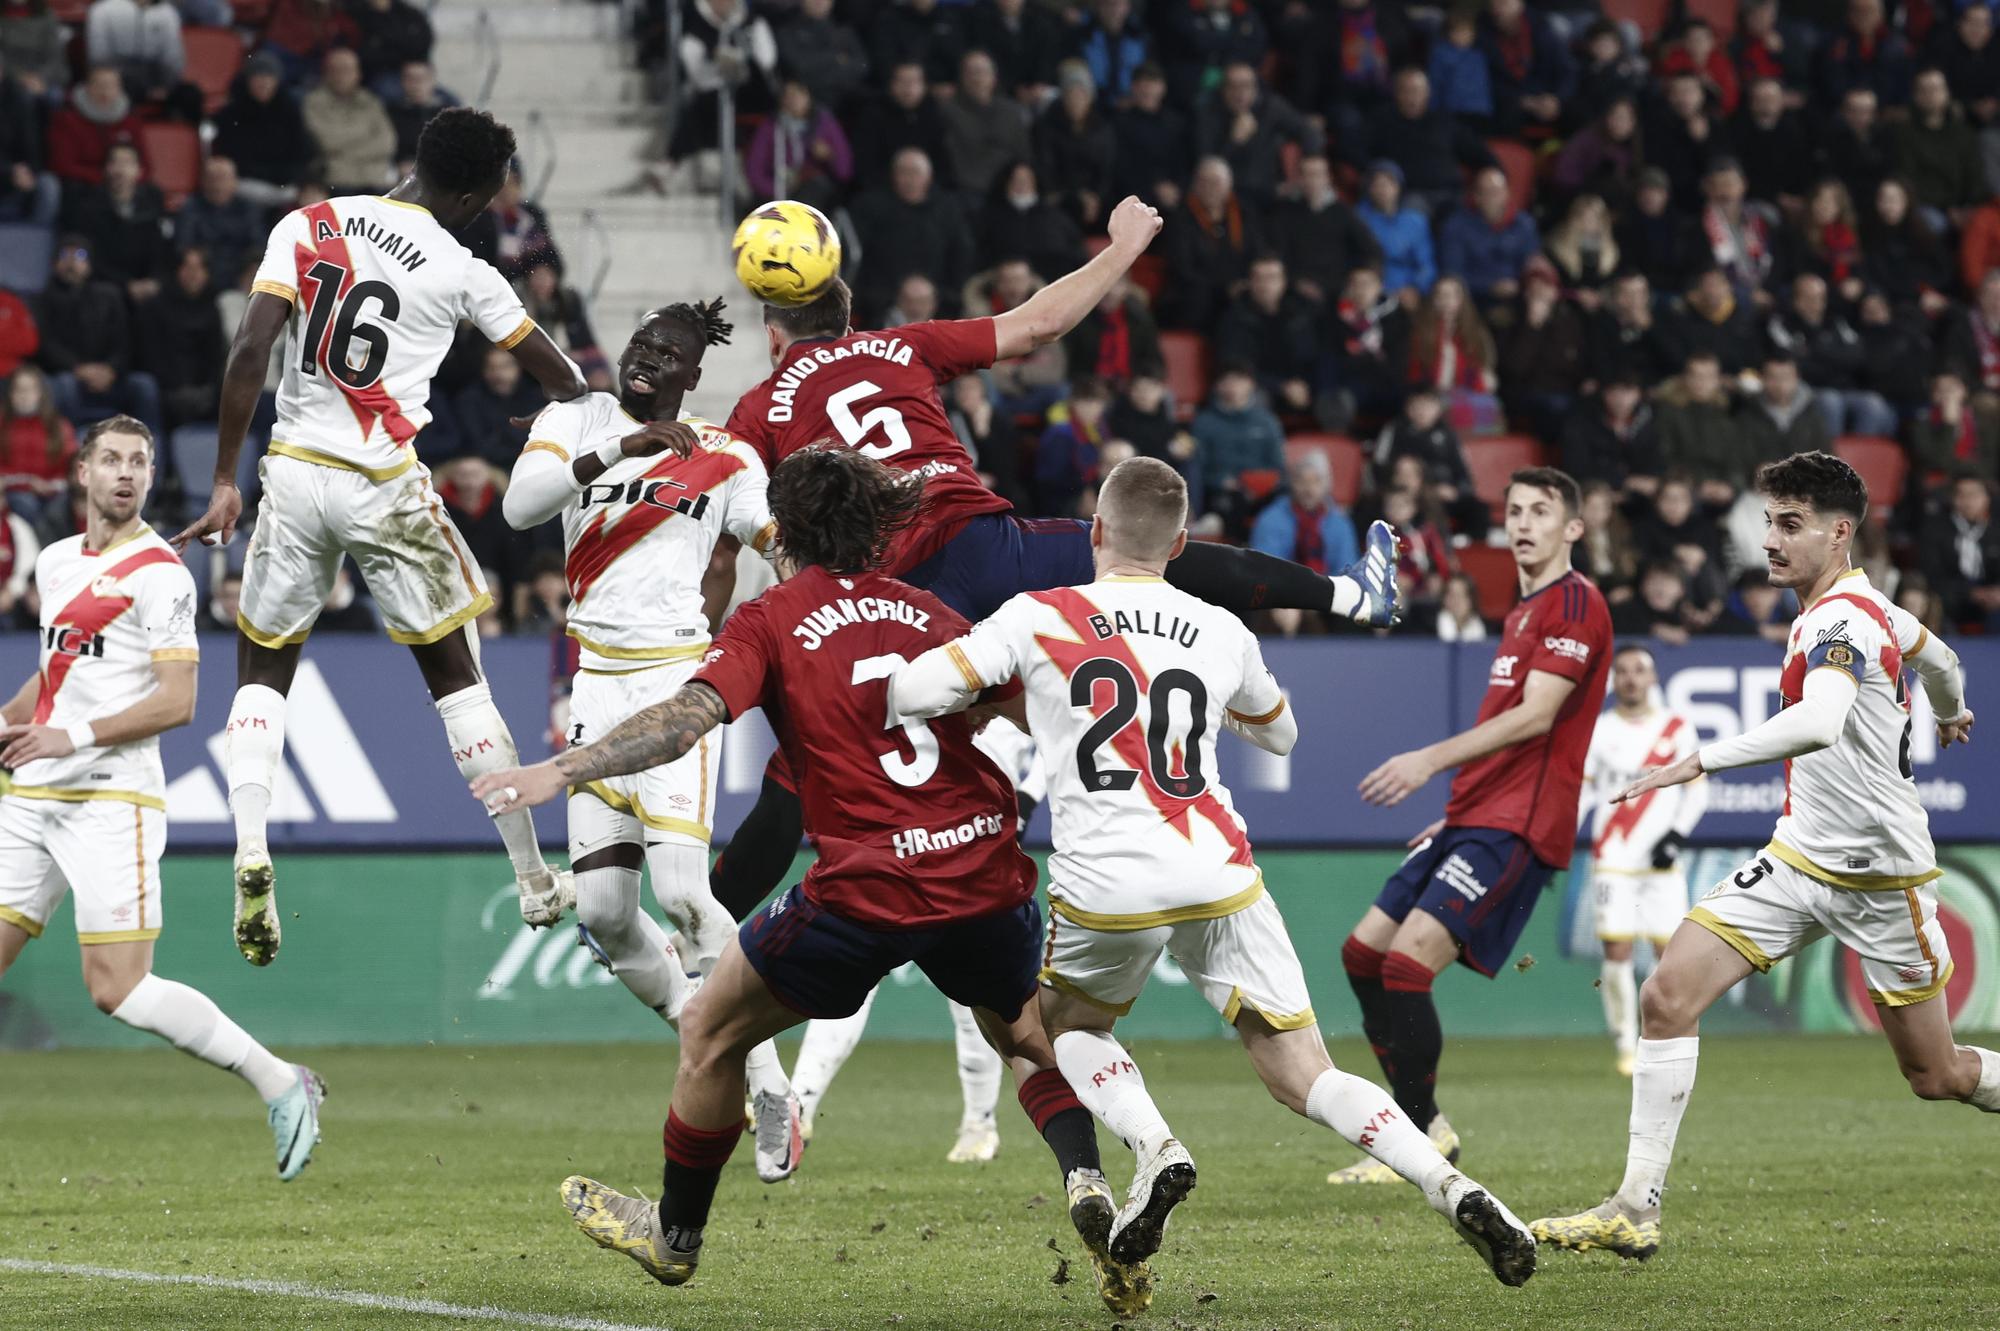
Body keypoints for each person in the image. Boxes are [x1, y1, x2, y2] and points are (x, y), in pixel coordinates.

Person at [474, 448, 1152, 1316]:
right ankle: (1089, 1178)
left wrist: (566, 768)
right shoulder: (930, 610)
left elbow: (686, 721)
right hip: (985, 872)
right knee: (1024, 1036)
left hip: (868, 889)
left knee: (711, 1033)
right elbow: (1038, 711)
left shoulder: (770, 618)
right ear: (876, 526)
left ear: (782, 531)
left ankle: (673, 1239)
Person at [705, 197, 1399, 978]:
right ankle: (1347, 595)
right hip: (989, 547)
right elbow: (1037, 325)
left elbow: (737, 525)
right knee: (1157, 552)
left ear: (772, 337)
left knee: (796, 777)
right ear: (850, 308)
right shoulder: (900, 347)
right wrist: (1124, 246)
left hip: (891, 596)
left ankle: (699, 931)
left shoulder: (757, 411)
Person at [888, 455, 1537, 1287]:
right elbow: (1281, 736)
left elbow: (912, 690)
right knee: (1307, 1072)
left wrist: (1016, 695)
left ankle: (1156, 1146)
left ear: (1094, 531)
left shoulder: (1036, 614)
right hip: (1218, 868)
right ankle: (1453, 1185)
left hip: (1108, 879)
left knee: (1059, 1032)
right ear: (1182, 541)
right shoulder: (1220, 627)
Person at [1533, 450, 1998, 1261]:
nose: (1771, 541)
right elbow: (1944, 660)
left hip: (1882, 880)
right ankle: (1634, 1207)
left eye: (1790, 524)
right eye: (1768, 523)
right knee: (1669, 994)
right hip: (1796, 860)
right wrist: (1952, 712)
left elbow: (1819, 721)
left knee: (1938, 1074)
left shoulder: (1840, 621)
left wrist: (1698, 759)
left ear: (1839, 531)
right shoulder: (1871, 609)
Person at [170, 108, 590, 966]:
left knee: (263, 668)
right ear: (471, 194)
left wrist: (223, 478)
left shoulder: (310, 221)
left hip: (289, 469)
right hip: (381, 484)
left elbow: (251, 349)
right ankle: (533, 873)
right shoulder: (464, 265)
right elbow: (567, 377)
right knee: (455, 675)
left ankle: (252, 845)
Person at [502, 300, 803, 1183]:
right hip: (595, 683)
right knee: (600, 914)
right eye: (640, 345)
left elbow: (768, 532)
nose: (646, 360)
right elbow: (523, 508)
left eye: (667, 353)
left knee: (680, 890)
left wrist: (804, 568)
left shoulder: (725, 454)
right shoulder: (575, 419)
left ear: (691, 376)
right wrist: (619, 450)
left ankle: (770, 1079)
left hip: (677, 687)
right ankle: (704, 1037)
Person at [0, 416, 325, 1181]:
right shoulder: (52, 563)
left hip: (112, 799)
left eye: (138, 462)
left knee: (118, 987)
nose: (124, 472)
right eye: (110, 459)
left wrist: (68, 737)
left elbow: (178, 701)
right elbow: (55, 676)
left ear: (149, 478)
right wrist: (15, 721)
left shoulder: (162, 574)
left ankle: (281, 1079)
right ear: (81, 472)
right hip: (33, 793)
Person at [1328, 466, 1612, 1184]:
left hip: (1518, 824)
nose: (1523, 522)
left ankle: (1417, 1139)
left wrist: (1427, 759)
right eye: (1514, 510)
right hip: (1473, 817)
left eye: (1541, 511)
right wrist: (1452, 815)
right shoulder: (1521, 610)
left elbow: (1537, 716)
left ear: (1572, 528)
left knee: (1405, 963)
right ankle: (1423, 1127)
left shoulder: (1575, 603)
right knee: (1362, 955)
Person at [1575, 646, 1708, 1077]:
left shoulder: (1676, 727)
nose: (1631, 679)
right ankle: (1625, 1042)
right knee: (1617, 949)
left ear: (1652, 679)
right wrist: (1559, 841)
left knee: (1670, 955)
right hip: (1613, 855)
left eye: (1640, 671)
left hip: (1661, 859)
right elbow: (1583, 794)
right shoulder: (1598, 730)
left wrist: (1676, 835)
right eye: (1624, 672)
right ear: (1614, 681)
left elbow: (1698, 789)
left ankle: (1667, 1038)